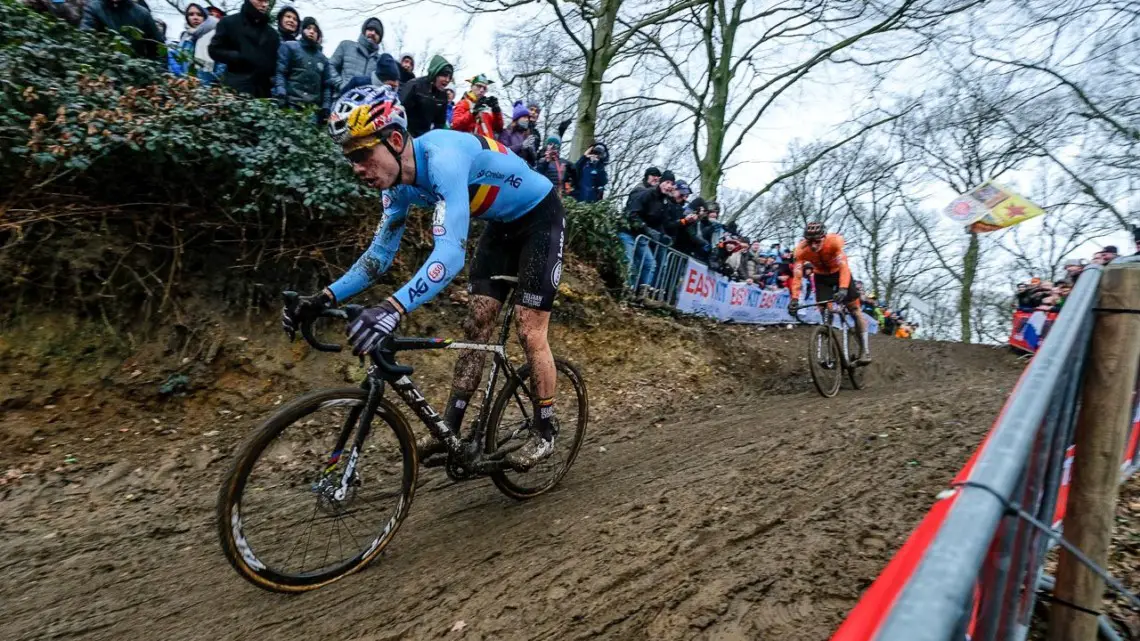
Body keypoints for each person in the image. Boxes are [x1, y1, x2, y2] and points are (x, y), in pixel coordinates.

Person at [282, 86, 566, 470]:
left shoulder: (443, 159)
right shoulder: (397, 186)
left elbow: (449, 255)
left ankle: (545, 428)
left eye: (362, 154)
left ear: (395, 139)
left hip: (539, 217)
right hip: (500, 225)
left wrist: (391, 308)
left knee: (529, 330)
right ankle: (450, 429)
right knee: (476, 322)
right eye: (349, 158)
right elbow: (378, 257)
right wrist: (323, 299)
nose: (357, 168)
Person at [787, 222, 872, 365]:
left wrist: (843, 288)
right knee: (825, 312)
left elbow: (844, 267)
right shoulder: (801, 250)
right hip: (821, 277)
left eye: (817, 241)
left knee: (855, 310)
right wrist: (794, 298)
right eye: (810, 242)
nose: (813, 245)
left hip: (839, 274)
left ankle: (865, 350)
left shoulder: (834, 242)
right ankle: (829, 352)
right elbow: (797, 276)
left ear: (824, 237)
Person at [209, 0, 280, 98]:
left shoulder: (272, 34)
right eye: (260, 0)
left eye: (266, 1)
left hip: (263, 93)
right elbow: (214, 50)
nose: (264, 5)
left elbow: (275, 64)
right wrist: (238, 56)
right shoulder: (229, 23)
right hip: (235, 89)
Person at [621, 172, 675, 291]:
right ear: (661, 182)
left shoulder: (665, 203)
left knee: (650, 264)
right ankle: (624, 289)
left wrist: (662, 235)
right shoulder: (646, 194)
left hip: (643, 235)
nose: (669, 186)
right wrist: (646, 228)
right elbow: (632, 213)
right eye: (667, 182)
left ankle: (641, 293)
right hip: (629, 232)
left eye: (672, 184)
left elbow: (660, 223)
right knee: (628, 262)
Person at [273, 17, 337, 118]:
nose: (312, 32)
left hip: (312, 110)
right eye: (308, 28)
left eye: (315, 30)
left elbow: (327, 86)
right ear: (302, 30)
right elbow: (281, 72)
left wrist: (326, 107)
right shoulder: (289, 47)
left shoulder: (323, 59)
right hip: (290, 104)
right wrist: (281, 92)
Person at [80, 0, 164, 60]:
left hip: (135, 74)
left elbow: (158, 51)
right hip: (101, 72)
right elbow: (85, 42)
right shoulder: (93, 9)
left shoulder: (142, 14)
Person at [398, 55, 454, 137]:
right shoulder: (415, 85)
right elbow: (400, 110)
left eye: (450, 77)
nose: (447, 80)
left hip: (424, 135)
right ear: (435, 73)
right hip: (405, 131)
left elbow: (439, 123)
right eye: (444, 75)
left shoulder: (443, 96)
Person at [330, 17, 383, 93]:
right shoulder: (346, 46)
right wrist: (341, 84)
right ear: (364, 31)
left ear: (380, 39)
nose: (373, 33)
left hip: (368, 103)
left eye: (377, 32)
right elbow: (330, 65)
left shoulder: (380, 61)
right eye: (370, 29)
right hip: (342, 100)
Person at [497, 102, 539, 166]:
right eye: (524, 117)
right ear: (517, 119)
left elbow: (533, 162)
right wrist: (521, 146)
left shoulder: (527, 136)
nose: (527, 120)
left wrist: (530, 150)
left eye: (528, 118)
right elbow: (502, 151)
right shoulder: (506, 133)